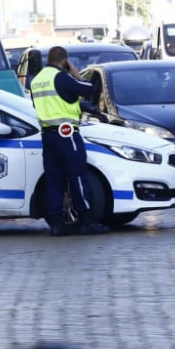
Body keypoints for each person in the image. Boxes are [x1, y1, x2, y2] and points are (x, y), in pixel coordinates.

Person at [30, 46, 109, 236]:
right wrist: (76, 74)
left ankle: (57, 224)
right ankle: (86, 221)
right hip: (67, 134)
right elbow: (90, 89)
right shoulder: (61, 77)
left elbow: (52, 102)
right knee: (77, 175)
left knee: (54, 179)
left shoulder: (37, 80)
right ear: (64, 61)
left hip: (48, 135)